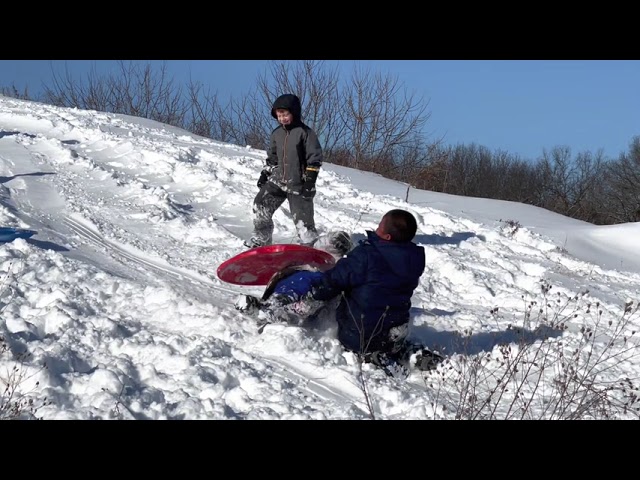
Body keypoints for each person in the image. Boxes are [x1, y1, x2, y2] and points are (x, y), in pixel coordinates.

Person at [237, 210, 443, 376]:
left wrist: (312, 298)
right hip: (395, 329)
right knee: (390, 331)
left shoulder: (367, 255)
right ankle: (408, 353)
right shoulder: (415, 259)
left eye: (379, 226)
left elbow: (333, 281)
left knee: (319, 286)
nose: (375, 228)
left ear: (387, 236)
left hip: (358, 333)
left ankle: (275, 311)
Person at [246, 93, 323, 249]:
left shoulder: (305, 133)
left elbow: (314, 158)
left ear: (294, 112)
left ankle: (309, 249)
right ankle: (261, 239)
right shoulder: (277, 134)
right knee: (260, 205)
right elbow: (273, 157)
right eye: (279, 115)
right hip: (278, 181)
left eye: (285, 114)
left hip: (299, 185)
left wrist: (310, 181)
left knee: (304, 223)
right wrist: (265, 173)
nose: (282, 118)